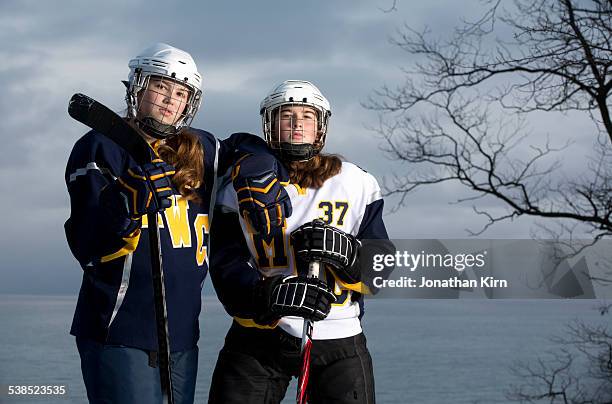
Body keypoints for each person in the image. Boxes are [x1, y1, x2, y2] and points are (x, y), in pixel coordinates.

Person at [64, 43, 288, 404]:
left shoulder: (202, 148)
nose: (171, 100)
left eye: (181, 92)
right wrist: (125, 201)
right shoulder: (100, 147)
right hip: (119, 331)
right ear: (138, 87)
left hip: (183, 337)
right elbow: (89, 248)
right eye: (161, 86)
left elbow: (252, 148)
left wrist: (258, 170)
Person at [208, 80, 395, 403]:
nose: (297, 125)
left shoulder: (355, 182)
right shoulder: (237, 185)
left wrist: (349, 255)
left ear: (321, 126)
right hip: (258, 336)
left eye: (307, 117)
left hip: (338, 337)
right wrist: (268, 293)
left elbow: (380, 268)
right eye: (287, 116)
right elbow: (225, 266)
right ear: (269, 125)